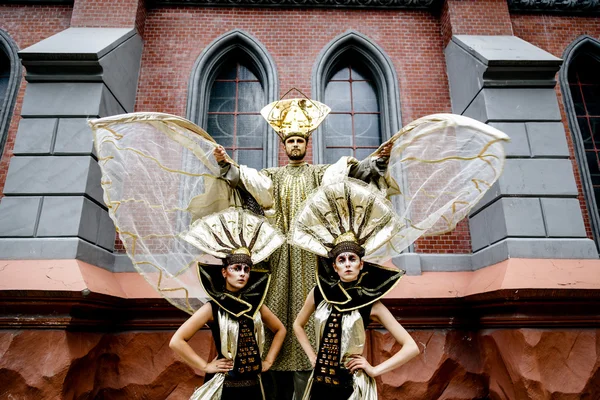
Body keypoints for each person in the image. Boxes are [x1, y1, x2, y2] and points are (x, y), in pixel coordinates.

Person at [213, 97, 392, 398]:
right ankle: (271, 376)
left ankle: (313, 378)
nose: (295, 145)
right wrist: (226, 166)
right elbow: (247, 182)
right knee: (274, 318)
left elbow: (350, 176)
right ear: (284, 145)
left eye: (300, 140)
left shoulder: (320, 174)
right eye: (290, 140)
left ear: (307, 143)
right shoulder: (272, 176)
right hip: (277, 262)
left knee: (314, 316)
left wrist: (376, 163)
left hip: (313, 260)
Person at [289, 180, 420, 399]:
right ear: (335, 266)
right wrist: (313, 357)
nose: (347, 263)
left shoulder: (371, 303)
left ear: (361, 264)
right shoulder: (319, 292)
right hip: (319, 384)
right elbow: (297, 325)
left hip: (352, 387)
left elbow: (411, 347)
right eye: (342, 259)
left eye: (352, 259)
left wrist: (375, 370)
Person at [170, 208, 287, 399]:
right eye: (236, 268)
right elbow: (177, 341)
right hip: (227, 387)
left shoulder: (255, 304)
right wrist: (206, 366)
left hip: (256, 386)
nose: (242, 273)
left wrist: (268, 361)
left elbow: (280, 330)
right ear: (224, 272)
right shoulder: (213, 307)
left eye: (246, 269)